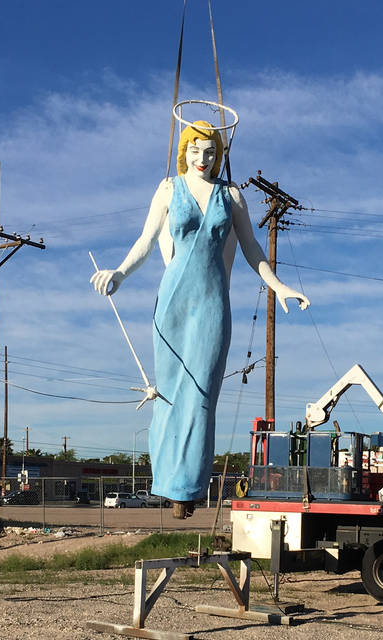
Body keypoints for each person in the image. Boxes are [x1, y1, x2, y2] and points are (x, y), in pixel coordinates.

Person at [90, 120, 309, 518]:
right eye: (195, 150)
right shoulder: (168, 189)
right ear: (184, 150)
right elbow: (146, 239)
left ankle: (188, 487)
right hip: (172, 303)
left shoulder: (232, 196)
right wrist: (119, 272)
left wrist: (280, 287)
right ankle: (168, 484)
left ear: (219, 154)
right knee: (171, 394)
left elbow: (252, 249)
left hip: (212, 305)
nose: (202, 159)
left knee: (201, 397)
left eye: (210, 152)